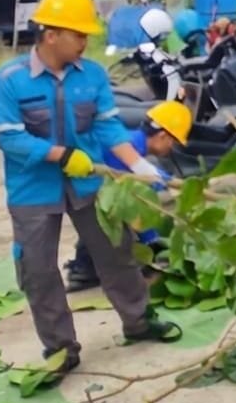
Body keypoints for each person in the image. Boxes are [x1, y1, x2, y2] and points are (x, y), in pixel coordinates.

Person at [0, 0, 181, 377]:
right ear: (51, 35)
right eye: (78, 35)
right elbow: (10, 138)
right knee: (38, 270)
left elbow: (108, 127)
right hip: (32, 190)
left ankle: (139, 322)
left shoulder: (92, 75)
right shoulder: (9, 80)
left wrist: (138, 164)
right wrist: (60, 155)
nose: (84, 43)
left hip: (89, 184)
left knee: (117, 251)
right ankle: (60, 349)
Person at [64, 101, 193, 292]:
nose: (172, 147)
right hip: (83, 192)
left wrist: (168, 181)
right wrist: (153, 242)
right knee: (107, 223)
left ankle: (88, 268)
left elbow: (149, 174)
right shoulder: (125, 150)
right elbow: (133, 205)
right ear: (163, 136)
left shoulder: (131, 143)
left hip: (87, 190)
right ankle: (84, 270)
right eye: (173, 142)